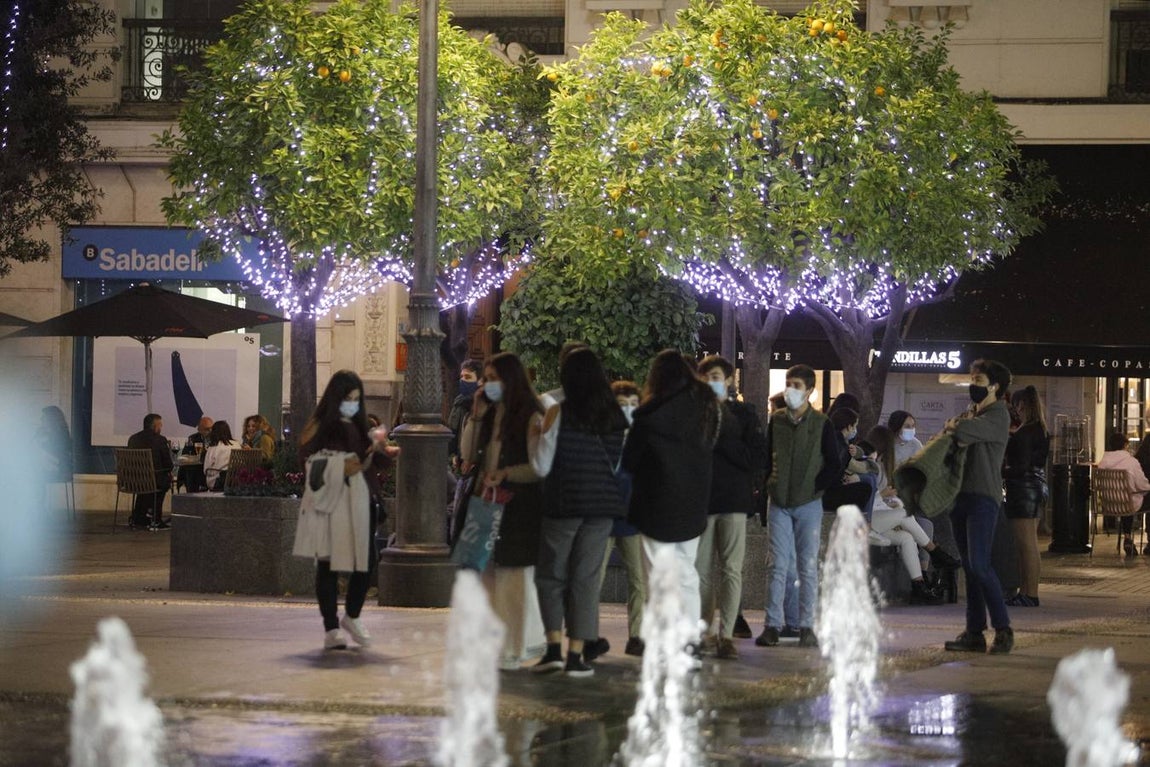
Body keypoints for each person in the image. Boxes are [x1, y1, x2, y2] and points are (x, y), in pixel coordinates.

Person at [530, 348, 629, 677]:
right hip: (601, 505)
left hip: (565, 502)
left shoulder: (558, 410)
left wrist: (537, 436)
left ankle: (554, 648)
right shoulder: (613, 414)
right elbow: (615, 463)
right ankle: (577, 655)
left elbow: (542, 465)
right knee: (585, 580)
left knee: (552, 575)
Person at [622, 349, 720, 652]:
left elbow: (629, 462)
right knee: (687, 574)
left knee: (659, 577)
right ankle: (689, 643)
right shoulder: (707, 408)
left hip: (655, 506)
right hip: (693, 505)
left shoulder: (649, 414)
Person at [295, 370, 398, 650]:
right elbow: (307, 460)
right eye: (348, 398)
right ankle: (331, 627)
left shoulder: (359, 425)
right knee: (328, 564)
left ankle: (351, 616)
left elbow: (372, 463)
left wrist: (382, 451)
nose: (353, 403)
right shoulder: (319, 426)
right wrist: (343, 464)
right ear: (336, 398)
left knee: (365, 561)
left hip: (360, 500)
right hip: (332, 501)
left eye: (356, 399)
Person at [459, 351, 547, 670]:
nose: (487, 385)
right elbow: (467, 454)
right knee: (488, 574)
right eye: (486, 379)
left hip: (519, 505)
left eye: (494, 379)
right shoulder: (488, 414)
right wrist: (477, 415)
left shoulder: (531, 416)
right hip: (486, 502)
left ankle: (517, 645)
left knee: (516, 577)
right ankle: (496, 644)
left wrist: (507, 474)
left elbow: (538, 467)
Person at [757, 364, 839, 649]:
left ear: (810, 391)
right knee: (778, 565)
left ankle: (807, 626)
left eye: (796, 385)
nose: (789, 390)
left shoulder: (821, 424)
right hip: (778, 500)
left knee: (806, 565)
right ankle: (772, 625)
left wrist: (816, 487)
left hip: (808, 503)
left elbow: (834, 462)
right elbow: (768, 456)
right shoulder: (776, 420)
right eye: (788, 383)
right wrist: (769, 484)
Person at [696, 355, 768, 660]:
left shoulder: (744, 414)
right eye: (705, 377)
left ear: (728, 379)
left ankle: (726, 633)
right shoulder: (695, 413)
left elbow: (756, 458)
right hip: (700, 501)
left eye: (715, 376)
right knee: (699, 571)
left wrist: (724, 435)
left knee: (731, 569)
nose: (710, 382)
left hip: (734, 500)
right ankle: (702, 632)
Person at [943, 359, 1015, 655]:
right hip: (961, 496)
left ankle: (1003, 629)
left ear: (995, 386)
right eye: (971, 379)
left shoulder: (998, 415)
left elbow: (960, 433)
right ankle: (974, 632)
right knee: (970, 569)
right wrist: (956, 425)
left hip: (984, 497)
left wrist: (955, 426)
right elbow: (954, 432)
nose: (973, 384)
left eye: (979, 379)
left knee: (981, 565)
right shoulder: (972, 414)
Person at [865, 425, 959, 605]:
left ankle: (918, 585)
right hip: (868, 520)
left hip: (881, 517)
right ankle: (935, 552)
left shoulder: (884, 465)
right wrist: (882, 495)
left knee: (906, 537)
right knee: (903, 514)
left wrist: (889, 503)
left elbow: (889, 499)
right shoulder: (870, 465)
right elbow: (866, 498)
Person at [605, 379, 647, 657]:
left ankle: (638, 635)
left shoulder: (641, 438)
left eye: (633, 405)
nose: (629, 410)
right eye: (623, 405)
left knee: (638, 580)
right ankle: (584, 635)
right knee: (592, 578)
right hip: (604, 514)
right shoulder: (603, 434)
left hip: (633, 517)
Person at [1002, 386, 1050, 604]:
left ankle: (1029, 594)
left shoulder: (1024, 432)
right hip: (1038, 487)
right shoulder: (1041, 429)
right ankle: (1028, 592)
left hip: (1023, 489)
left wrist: (1001, 470)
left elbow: (1020, 466)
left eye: (1015, 406)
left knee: (1026, 544)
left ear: (1021, 405)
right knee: (1031, 544)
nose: (1014, 410)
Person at [1097, 431, 1150, 557]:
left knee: (1128, 498)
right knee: (1131, 498)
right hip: (1128, 504)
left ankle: (1127, 537)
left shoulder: (1102, 463)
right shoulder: (1131, 462)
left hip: (1109, 505)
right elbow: (1142, 485)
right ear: (1125, 445)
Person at [126, 413, 174, 529]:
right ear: (155, 426)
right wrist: (169, 471)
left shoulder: (133, 438)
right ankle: (155, 518)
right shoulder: (160, 440)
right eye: (160, 426)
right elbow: (168, 465)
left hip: (133, 481)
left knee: (146, 486)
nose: (160, 428)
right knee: (164, 480)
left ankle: (139, 516)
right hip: (153, 480)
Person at [447, 360, 482, 465]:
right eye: (461, 377)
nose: (463, 380)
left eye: (467, 377)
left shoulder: (486, 404)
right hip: (460, 462)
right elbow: (452, 433)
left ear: (479, 381)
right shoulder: (459, 403)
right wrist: (453, 457)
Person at [36, 405, 73, 485]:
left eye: (44, 417)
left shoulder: (60, 435)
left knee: (33, 476)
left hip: (60, 471)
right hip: (53, 468)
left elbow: (55, 453)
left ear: (51, 419)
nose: (41, 419)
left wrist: (40, 442)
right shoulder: (50, 433)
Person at [177, 416, 213, 492]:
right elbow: (185, 454)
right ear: (199, 429)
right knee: (191, 471)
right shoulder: (192, 438)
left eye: (211, 428)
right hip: (196, 469)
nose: (210, 431)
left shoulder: (215, 438)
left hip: (210, 468)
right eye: (207, 429)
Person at [202, 421, 240, 491]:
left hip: (218, 482)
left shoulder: (213, 447)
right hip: (236, 481)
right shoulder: (237, 444)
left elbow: (206, 470)